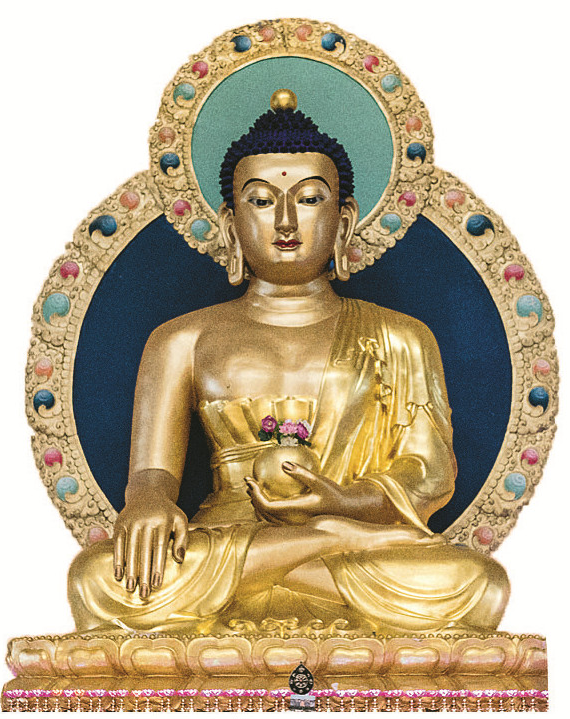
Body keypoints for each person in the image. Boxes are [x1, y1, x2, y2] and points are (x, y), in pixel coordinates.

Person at [68, 91, 510, 635]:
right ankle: (314, 545)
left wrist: (344, 501)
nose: (284, 221)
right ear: (230, 224)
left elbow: (430, 473)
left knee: (478, 581)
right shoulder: (181, 339)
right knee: (93, 577)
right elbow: (151, 472)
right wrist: (147, 502)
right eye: (260, 200)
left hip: (351, 545)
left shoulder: (401, 337)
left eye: (308, 199)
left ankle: (307, 546)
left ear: (343, 221)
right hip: (224, 540)